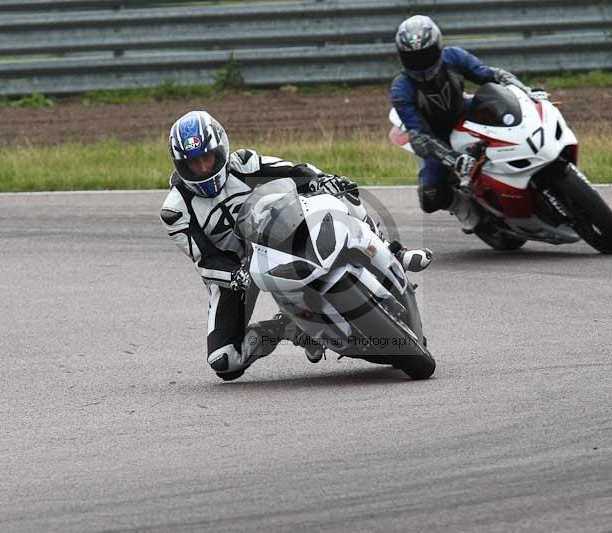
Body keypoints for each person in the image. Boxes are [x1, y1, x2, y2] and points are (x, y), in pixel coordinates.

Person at [160, 110, 433, 381]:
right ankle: (283, 328)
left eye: (207, 158)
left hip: (274, 237)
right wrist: (236, 276)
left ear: (220, 149)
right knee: (224, 360)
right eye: (194, 164)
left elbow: (294, 170)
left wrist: (321, 179)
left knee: (340, 193)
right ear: (180, 165)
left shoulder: (243, 164)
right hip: (235, 272)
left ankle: (394, 250)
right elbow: (205, 259)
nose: (204, 168)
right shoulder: (175, 209)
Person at [391, 15, 548, 213]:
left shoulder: (453, 57)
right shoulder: (401, 88)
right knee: (429, 197)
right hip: (436, 135)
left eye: (425, 55)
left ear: (438, 47)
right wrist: (451, 158)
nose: (421, 63)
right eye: (413, 57)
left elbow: (492, 75)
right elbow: (418, 136)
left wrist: (526, 91)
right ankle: (466, 211)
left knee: (505, 111)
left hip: (467, 112)